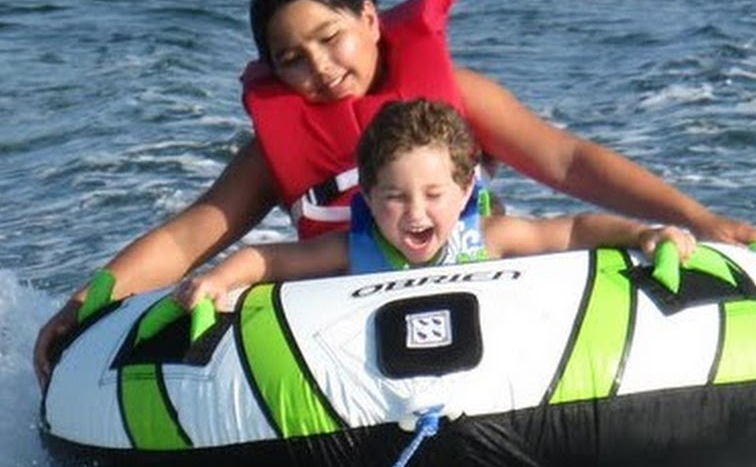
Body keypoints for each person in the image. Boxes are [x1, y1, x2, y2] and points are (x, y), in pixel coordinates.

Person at [34, 0, 756, 388]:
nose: (321, 68)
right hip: (344, 342)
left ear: (370, 18)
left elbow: (568, 163)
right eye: (293, 59)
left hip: (490, 311)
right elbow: (193, 234)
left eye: (332, 38)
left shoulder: (459, 97)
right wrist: (86, 302)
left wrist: (695, 220)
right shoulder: (276, 151)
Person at [173, 100, 696, 309]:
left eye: (434, 195)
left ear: (466, 191)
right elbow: (269, 260)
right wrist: (219, 280)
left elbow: (574, 230)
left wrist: (642, 234)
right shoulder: (353, 250)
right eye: (395, 196)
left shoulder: (487, 236)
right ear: (368, 196)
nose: (416, 213)